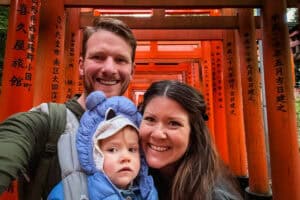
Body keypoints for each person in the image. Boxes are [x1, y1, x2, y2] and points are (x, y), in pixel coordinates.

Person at [0, 17, 137, 199]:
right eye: (98, 57)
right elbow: (14, 136)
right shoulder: (49, 122)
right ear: (81, 65)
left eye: (120, 60)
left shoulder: (140, 132)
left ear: (132, 71)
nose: (109, 68)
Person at [138, 80, 243, 200]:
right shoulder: (129, 176)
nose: (157, 134)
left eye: (173, 123)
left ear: (193, 133)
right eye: (150, 119)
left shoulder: (214, 195)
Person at [47, 91, 157, 200]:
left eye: (132, 149)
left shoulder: (147, 192)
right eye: (113, 150)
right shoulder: (73, 191)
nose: (125, 158)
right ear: (95, 155)